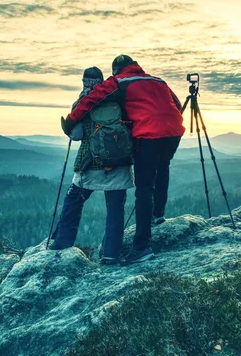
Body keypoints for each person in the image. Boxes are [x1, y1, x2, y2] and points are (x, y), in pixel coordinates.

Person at [61, 55, 185, 266]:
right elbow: (177, 103)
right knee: (162, 168)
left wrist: (71, 120)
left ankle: (141, 247)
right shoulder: (157, 81)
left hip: (147, 136)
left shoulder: (119, 82)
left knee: (144, 188)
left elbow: (91, 99)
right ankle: (158, 215)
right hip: (173, 132)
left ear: (116, 70)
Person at [50, 67, 134, 266]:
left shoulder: (83, 103)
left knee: (74, 200)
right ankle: (111, 255)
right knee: (115, 210)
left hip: (90, 163)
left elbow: (76, 135)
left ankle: (62, 244)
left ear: (84, 82)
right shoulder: (119, 100)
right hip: (119, 164)